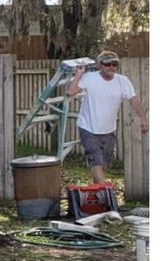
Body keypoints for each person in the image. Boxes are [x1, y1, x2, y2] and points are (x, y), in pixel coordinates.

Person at [63, 51, 148, 186]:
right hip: (88, 128)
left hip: (108, 131)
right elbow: (70, 92)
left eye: (114, 64)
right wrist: (79, 74)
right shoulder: (89, 78)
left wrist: (143, 119)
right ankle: (107, 194)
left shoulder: (122, 81)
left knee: (102, 166)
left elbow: (134, 100)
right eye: (107, 64)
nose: (111, 67)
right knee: (96, 163)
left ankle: (98, 194)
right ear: (100, 66)